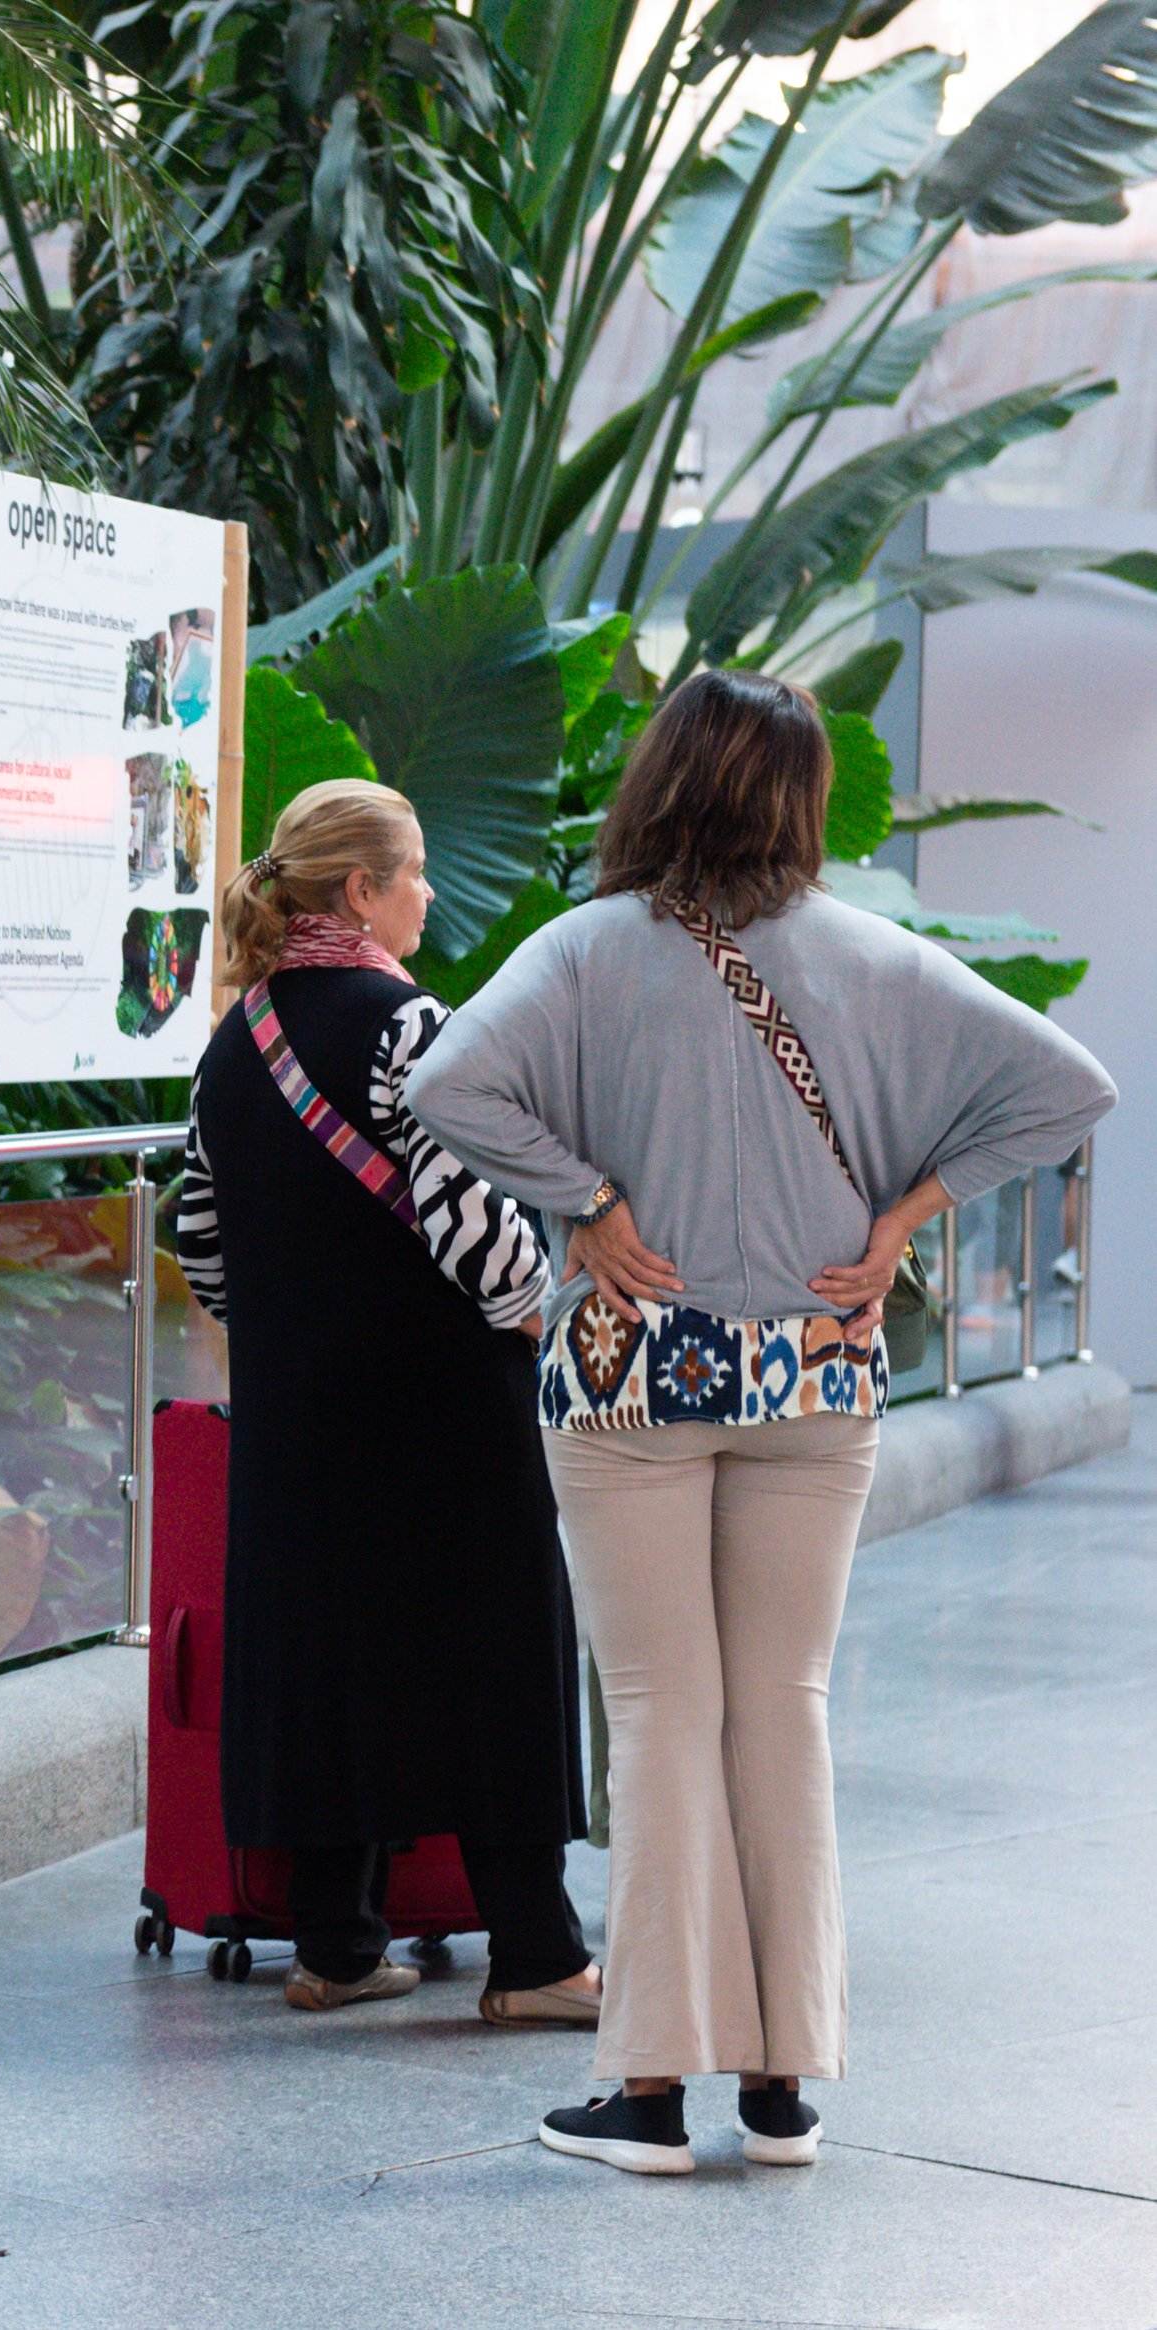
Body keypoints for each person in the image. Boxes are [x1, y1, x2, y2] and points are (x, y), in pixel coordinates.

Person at [408, 672, 1114, 2176]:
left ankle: (650, 2088)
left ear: (663, 779)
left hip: (633, 1379)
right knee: (783, 1704)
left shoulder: (591, 952)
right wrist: (909, 1213)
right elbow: (1073, 1084)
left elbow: (444, 1080)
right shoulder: (877, 958)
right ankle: (787, 2084)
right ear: (798, 797)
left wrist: (583, 1201)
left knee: (664, 1709)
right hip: (812, 1375)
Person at [170, 778, 598, 2026]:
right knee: (495, 1654)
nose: (423, 894)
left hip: (299, 1412)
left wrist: (296, 1332)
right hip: (441, 1407)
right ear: (359, 889)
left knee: (324, 1658)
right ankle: (534, 1954)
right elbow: (478, 1231)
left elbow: (199, 1240)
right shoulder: (411, 1028)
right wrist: (539, 1305)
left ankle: (336, 1945)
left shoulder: (230, 1042)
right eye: (409, 873)